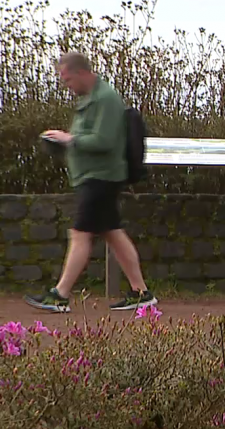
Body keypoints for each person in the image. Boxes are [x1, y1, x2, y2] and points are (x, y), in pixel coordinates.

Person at [25, 52, 157, 313]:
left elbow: (104, 141)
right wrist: (63, 142)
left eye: (68, 79)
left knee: (80, 233)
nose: (67, 85)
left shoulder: (105, 99)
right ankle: (141, 292)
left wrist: (69, 139)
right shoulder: (91, 98)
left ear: (82, 72)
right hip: (94, 177)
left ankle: (60, 295)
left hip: (101, 177)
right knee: (113, 233)